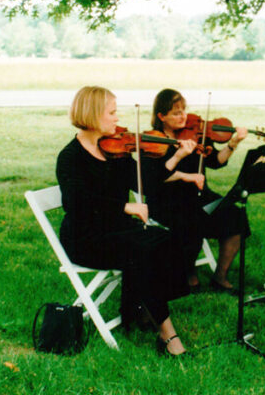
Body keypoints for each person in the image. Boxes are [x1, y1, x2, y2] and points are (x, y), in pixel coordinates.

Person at [56, 86, 197, 356]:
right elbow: (75, 204)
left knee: (168, 239)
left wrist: (177, 156)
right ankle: (167, 334)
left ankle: (141, 310)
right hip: (86, 237)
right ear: (93, 114)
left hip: (117, 230)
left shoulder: (116, 150)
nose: (116, 118)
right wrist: (124, 206)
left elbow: (149, 184)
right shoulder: (71, 157)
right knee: (144, 250)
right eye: (111, 112)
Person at [144, 88, 251, 292]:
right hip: (167, 201)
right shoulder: (154, 141)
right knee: (193, 219)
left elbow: (216, 161)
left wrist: (233, 143)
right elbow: (154, 178)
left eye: (184, 110)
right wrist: (186, 174)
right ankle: (188, 272)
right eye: (176, 112)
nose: (184, 116)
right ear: (161, 116)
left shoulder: (195, 135)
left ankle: (220, 276)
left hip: (199, 196)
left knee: (235, 215)